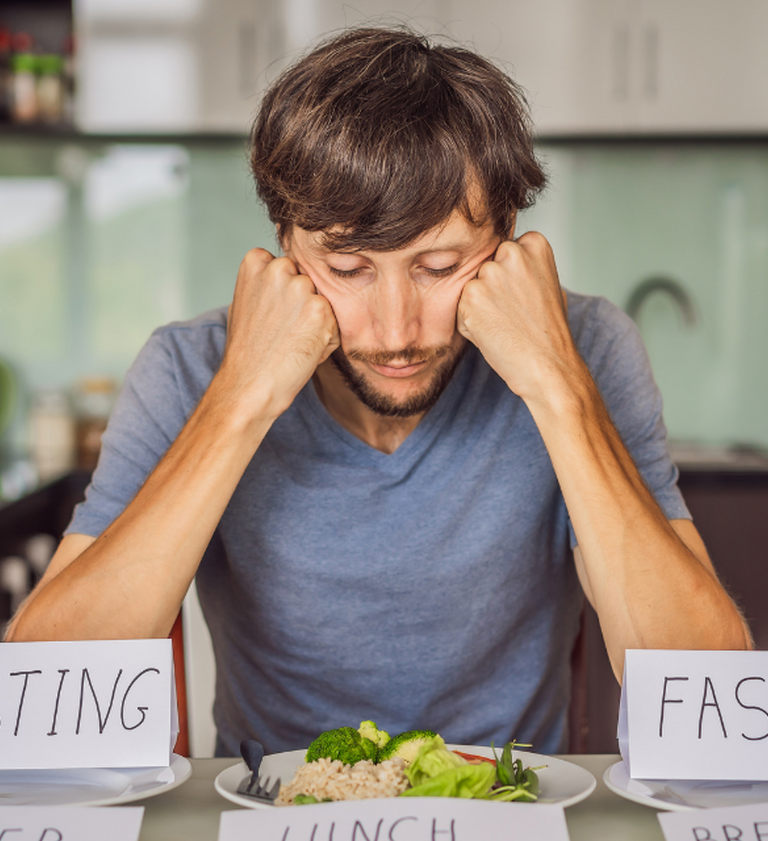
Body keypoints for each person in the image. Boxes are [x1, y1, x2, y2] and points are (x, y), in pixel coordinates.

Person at [6, 28, 751, 755]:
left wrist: (558, 388)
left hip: (516, 811)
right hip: (267, 816)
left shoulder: (588, 346)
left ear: (508, 242)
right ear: (285, 244)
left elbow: (706, 693)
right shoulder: (188, 366)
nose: (396, 331)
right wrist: (240, 400)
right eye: (348, 270)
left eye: (439, 267)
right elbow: (43, 692)